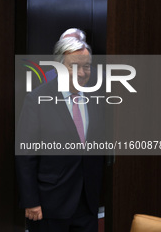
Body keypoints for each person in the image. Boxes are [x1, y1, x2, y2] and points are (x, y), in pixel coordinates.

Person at [15, 37, 105, 232]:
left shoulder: (96, 100)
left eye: (87, 67)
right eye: (74, 67)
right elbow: (25, 156)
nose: (82, 73)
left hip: (87, 204)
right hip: (50, 205)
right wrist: (30, 201)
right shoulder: (36, 99)